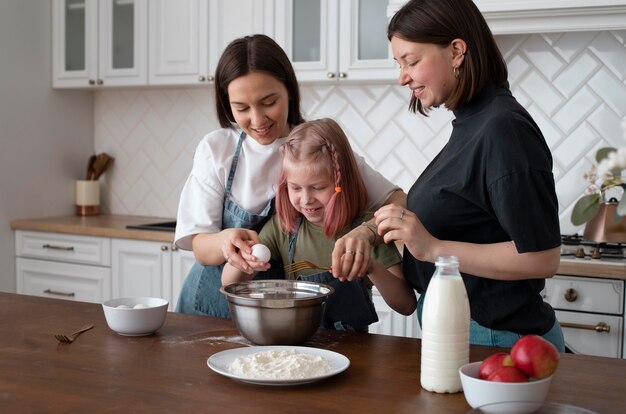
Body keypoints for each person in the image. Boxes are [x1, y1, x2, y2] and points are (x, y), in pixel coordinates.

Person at [376, 0, 565, 351]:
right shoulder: (473, 122)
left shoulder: (503, 129)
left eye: (411, 61)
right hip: (471, 332)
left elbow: (543, 257)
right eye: (399, 63)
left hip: (496, 340)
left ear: (457, 51)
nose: (402, 77)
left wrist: (434, 248)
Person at [174, 34, 405, 317]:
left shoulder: (314, 147)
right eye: (242, 108)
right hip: (212, 306)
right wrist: (225, 242)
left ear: (289, 91)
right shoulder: (216, 148)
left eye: (269, 101)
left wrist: (365, 233)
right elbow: (198, 243)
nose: (257, 120)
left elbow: (399, 200)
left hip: (278, 317)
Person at [222, 118, 416, 331]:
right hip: (296, 345)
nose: (306, 200)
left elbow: (406, 305)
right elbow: (228, 283)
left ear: (341, 183)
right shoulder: (284, 228)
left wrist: (370, 266)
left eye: (317, 187)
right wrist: (244, 260)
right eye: (295, 188)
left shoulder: (366, 231)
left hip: (354, 349)